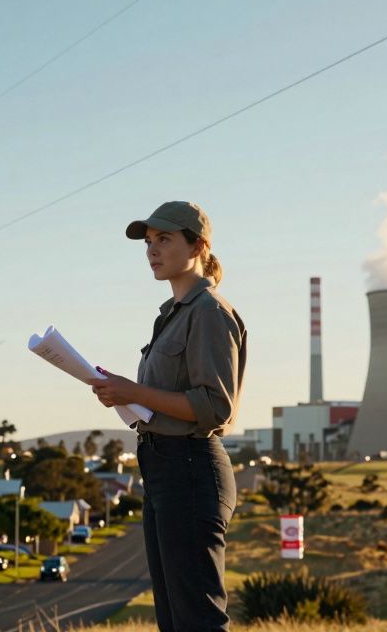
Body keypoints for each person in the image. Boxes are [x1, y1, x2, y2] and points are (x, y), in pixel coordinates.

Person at [88, 200, 247, 632]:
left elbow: (215, 406)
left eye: (164, 240)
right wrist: (122, 397)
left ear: (198, 245)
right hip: (162, 468)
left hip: (191, 469)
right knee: (173, 622)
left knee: (197, 621)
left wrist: (133, 390)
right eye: (149, 242)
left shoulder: (211, 313)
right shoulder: (171, 314)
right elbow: (166, 397)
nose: (152, 250)